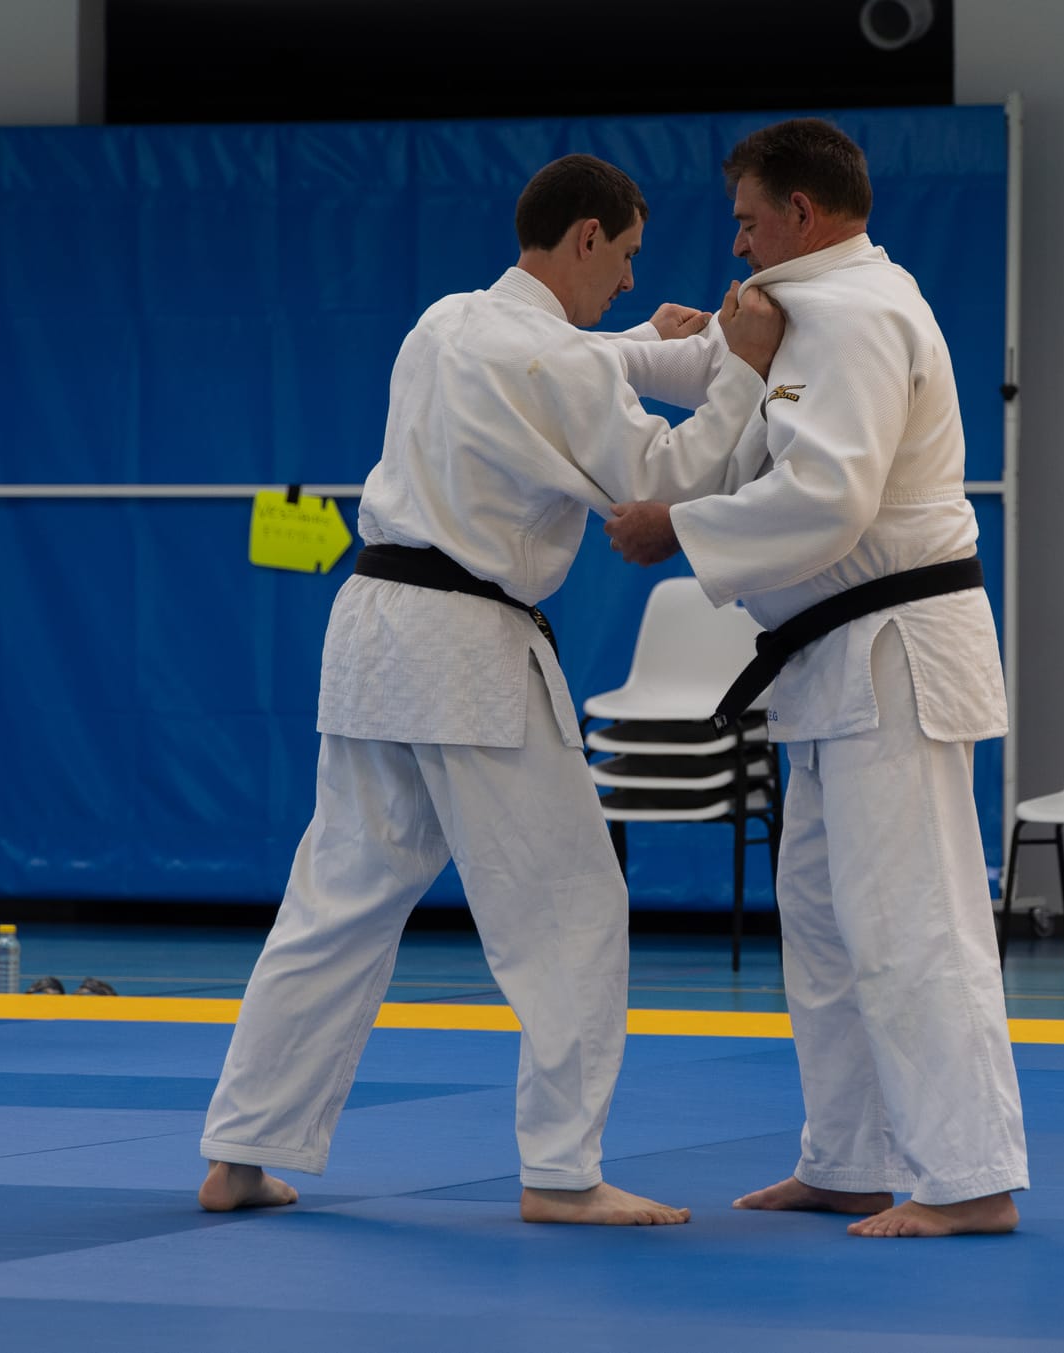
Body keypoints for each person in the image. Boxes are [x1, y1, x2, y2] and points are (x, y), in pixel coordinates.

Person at [197, 154, 786, 1224]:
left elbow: (574, 361)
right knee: (571, 907)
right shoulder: (558, 362)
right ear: (586, 237)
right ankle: (563, 1172)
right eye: (625, 255)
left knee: (337, 899)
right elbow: (662, 480)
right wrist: (740, 372)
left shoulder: (446, 321)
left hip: (370, 629)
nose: (629, 278)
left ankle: (241, 1151)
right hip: (465, 644)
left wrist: (664, 343)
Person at [607, 118, 1027, 1238]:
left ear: (801, 212)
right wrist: (537, 344)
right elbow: (695, 364)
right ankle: (847, 1160)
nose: (735, 244)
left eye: (747, 221)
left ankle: (968, 1179)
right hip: (834, 662)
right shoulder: (796, 310)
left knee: (911, 921)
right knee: (828, 923)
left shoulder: (854, 314)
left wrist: (678, 525)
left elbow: (828, 498)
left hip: (891, 654)